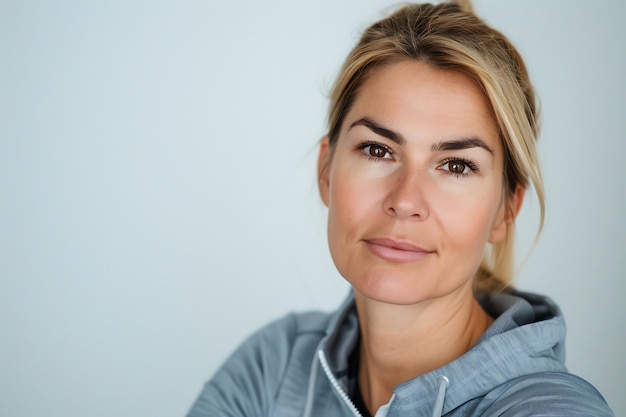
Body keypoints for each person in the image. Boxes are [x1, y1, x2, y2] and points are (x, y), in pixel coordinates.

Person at [187, 1, 614, 416]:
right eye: (378, 150)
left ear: (506, 210)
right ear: (326, 172)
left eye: (456, 165)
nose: (405, 200)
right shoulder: (273, 366)